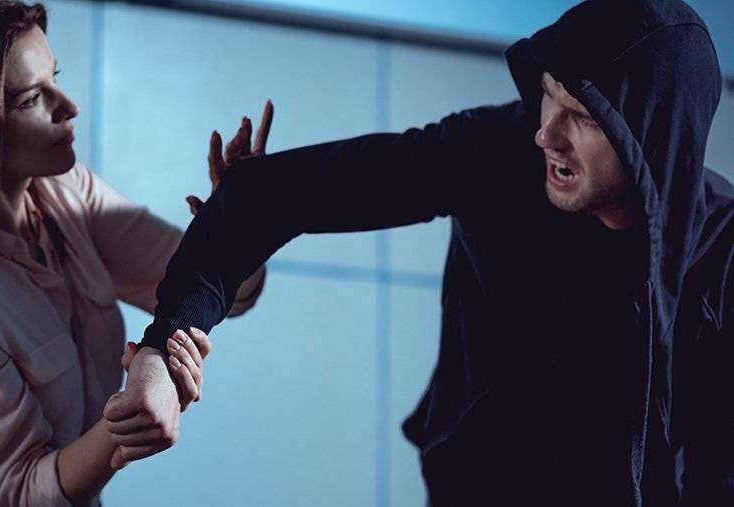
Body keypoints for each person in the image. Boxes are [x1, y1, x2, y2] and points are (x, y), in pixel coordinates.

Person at [104, 0, 732, 505]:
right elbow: (267, 199)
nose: (548, 133)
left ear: (653, 133)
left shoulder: (723, 247)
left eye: (585, 117)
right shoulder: (498, 150)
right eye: (549, 95)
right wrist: (159, 356)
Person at [0, 1, 265, 506]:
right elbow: (25, 491)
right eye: (31, 98)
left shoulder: (68, 192)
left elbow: (231, 291)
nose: (69, 106)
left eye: (56, 78)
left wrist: (239, 216)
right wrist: (132, 418)